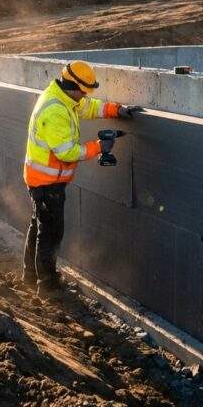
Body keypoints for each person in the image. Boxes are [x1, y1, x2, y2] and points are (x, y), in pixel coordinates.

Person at [22, 61, 142, 298]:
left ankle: (30, 276)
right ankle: (48, 287)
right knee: (51, 233)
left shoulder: (64, 99)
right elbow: (66, 152)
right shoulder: (55, 110)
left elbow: (88, 107)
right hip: (47, 185)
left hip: (44, 181)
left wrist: (115, 110)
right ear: (73, 86)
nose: (85, 96)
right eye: (84, 91)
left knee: (39, 226)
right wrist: (99, 147)